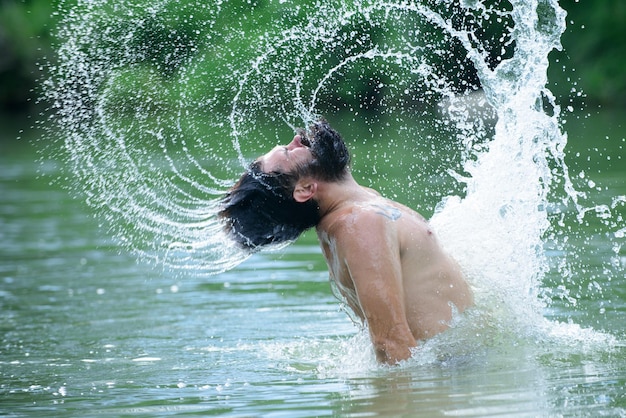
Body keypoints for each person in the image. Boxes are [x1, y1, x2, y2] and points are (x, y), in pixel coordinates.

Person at [218, 119, 473, 364]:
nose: (297, 139)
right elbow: (389, 344)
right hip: (453, 372)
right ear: (305, 189)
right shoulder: (359, 223)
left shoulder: (356, 211)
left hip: (453, 364)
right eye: (289, 152)